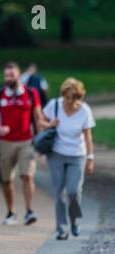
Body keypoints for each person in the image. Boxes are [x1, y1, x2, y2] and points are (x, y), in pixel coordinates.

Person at [0, 62, 43, 226]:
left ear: (19, 76)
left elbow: (38, 117)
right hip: (6, 142)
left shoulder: (31, 93)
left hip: (26, 140)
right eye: (6, 75)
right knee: (6, 179)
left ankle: (29, 211)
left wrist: (40, 141)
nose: (9, 78)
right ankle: (11, 211)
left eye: (12, 75)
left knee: (27, 175)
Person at [41, 78, 95, 240]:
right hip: (56, 154)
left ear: (81, 97)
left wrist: (90, 158)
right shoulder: (54, 105)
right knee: (59, 193)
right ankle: (61, 228)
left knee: (73, 191)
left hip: (77, 155)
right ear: (63, 95)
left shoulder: (85, 110)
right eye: (69, 97)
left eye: (76, 98)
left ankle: (74, 220)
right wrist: (49, 124)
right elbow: (39, 120)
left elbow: (88, 136)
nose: (72, 102)